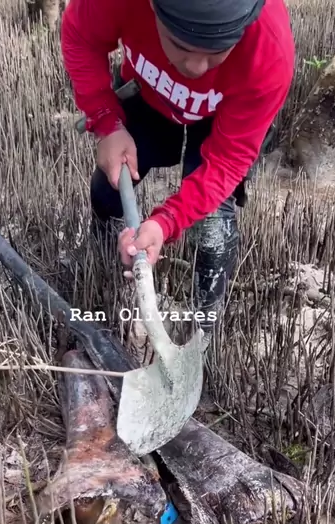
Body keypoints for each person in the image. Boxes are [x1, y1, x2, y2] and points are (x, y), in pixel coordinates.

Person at [60, 0, 295, 333]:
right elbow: (79, 34)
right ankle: (100, 275)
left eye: (218, 50)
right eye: (181, 45)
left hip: (221, 115)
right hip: (148, 90)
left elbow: (228, 161)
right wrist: (105, 122)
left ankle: (204, 329)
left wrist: (167, 221)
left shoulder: (269, 50)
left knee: (212, 229)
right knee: (107, 190)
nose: (196, 67)